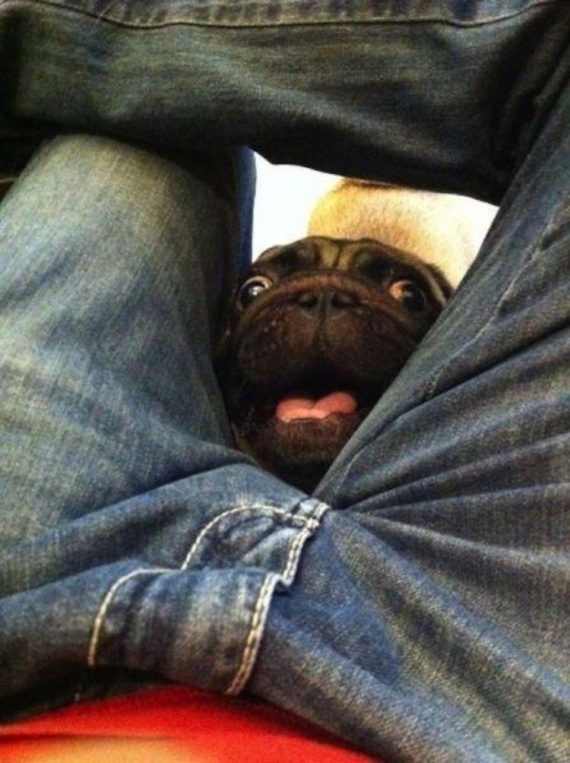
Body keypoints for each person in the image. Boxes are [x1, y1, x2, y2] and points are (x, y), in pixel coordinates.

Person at [0, 1, 568, 760]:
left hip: (41, 603)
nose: (324, 302)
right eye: (261, 291)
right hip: (478, 663)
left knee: (132, 136)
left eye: (408, 296)